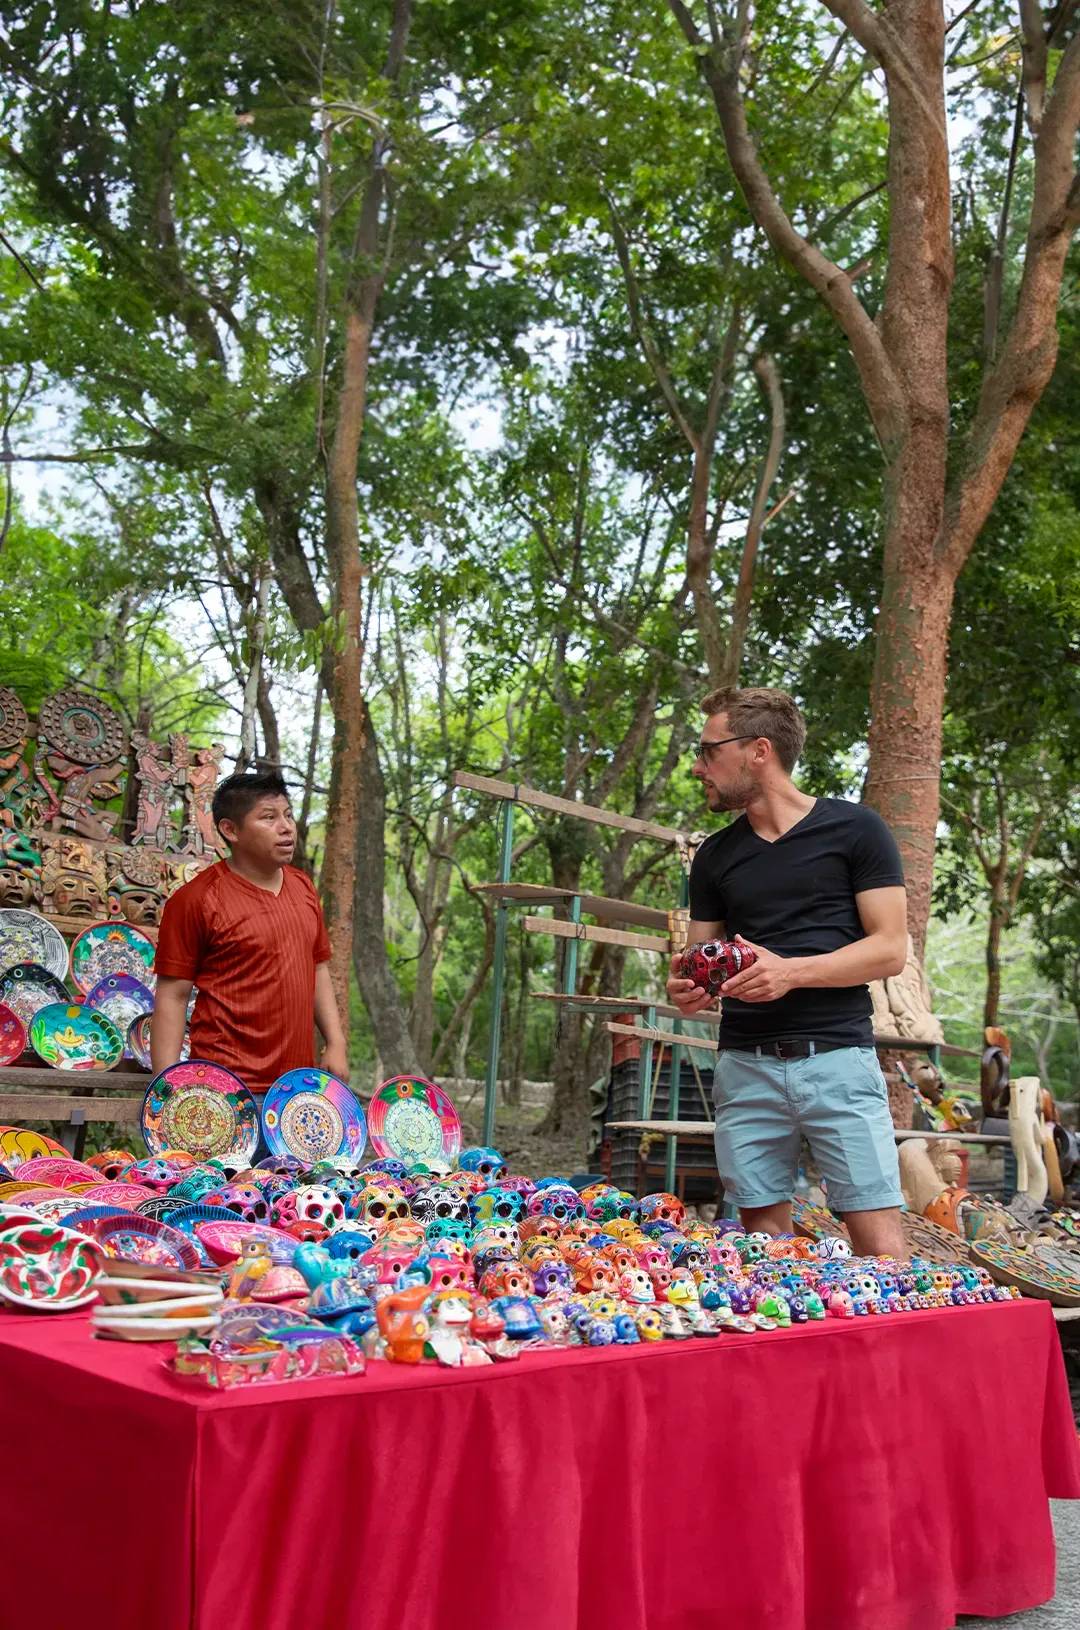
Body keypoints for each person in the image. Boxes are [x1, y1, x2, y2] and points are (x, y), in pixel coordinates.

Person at [666, 687, 908, 1258]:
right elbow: (697, 959)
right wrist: (685, 986)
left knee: (883, 1253)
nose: (698, 767)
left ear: (758, 750)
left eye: (707, 751)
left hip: (839, 1063)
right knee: (767, 1258)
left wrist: (790, 974)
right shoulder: (714, 856)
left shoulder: (857, 831)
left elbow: (889, 949)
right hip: (745, 1069)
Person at [150, 770, 348, 1094]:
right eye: (268, 818)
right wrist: (166, 1086)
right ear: (230, 830)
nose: (285, 828)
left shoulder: (303, 888)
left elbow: (318, 967)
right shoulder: (196, 900)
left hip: (296, 1091)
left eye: (287, 815)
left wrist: (335, 1042)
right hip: (223, 1089)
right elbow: (173, 996)